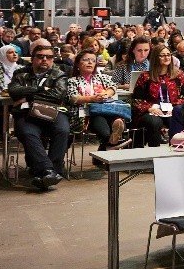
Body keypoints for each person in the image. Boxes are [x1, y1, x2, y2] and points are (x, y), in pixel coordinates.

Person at [9, 43, 72, 191]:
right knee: (27, 132)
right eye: (40, 56)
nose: (45, 59)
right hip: (27, 113)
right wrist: (41, 89)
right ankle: (49, 171)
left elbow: (58, 95)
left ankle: (46, 172)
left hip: (53, 110)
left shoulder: (59, 74)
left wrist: (28, 96)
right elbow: (13, 91)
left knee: (63, 130)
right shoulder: (20, 73)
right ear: (33, 59)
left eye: (49, 57)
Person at [67, 48, 126, 150]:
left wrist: (106, 94)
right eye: (86, 60)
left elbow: (113, 86)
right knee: (99, 117)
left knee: (112, 117)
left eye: (93, 61)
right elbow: (73, 97)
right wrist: (92, 98)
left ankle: (110, 141)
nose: (90, 62)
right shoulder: (72, 80)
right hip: (83, 115)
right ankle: (112, 142)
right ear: (77, 64)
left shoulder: (101, 77)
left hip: (105, 111)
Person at [132, 44, 184, 147]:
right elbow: (137, 100)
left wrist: (175, 107)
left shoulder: (179, 75)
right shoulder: (145, 76)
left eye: (168, 54)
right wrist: (150, 108)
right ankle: (155, 153)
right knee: (154, 122)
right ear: (155, 58)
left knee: (176, 119)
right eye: (162, 55)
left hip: (172, 109)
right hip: (152, 110)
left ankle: (177, 149)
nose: (166, 57)